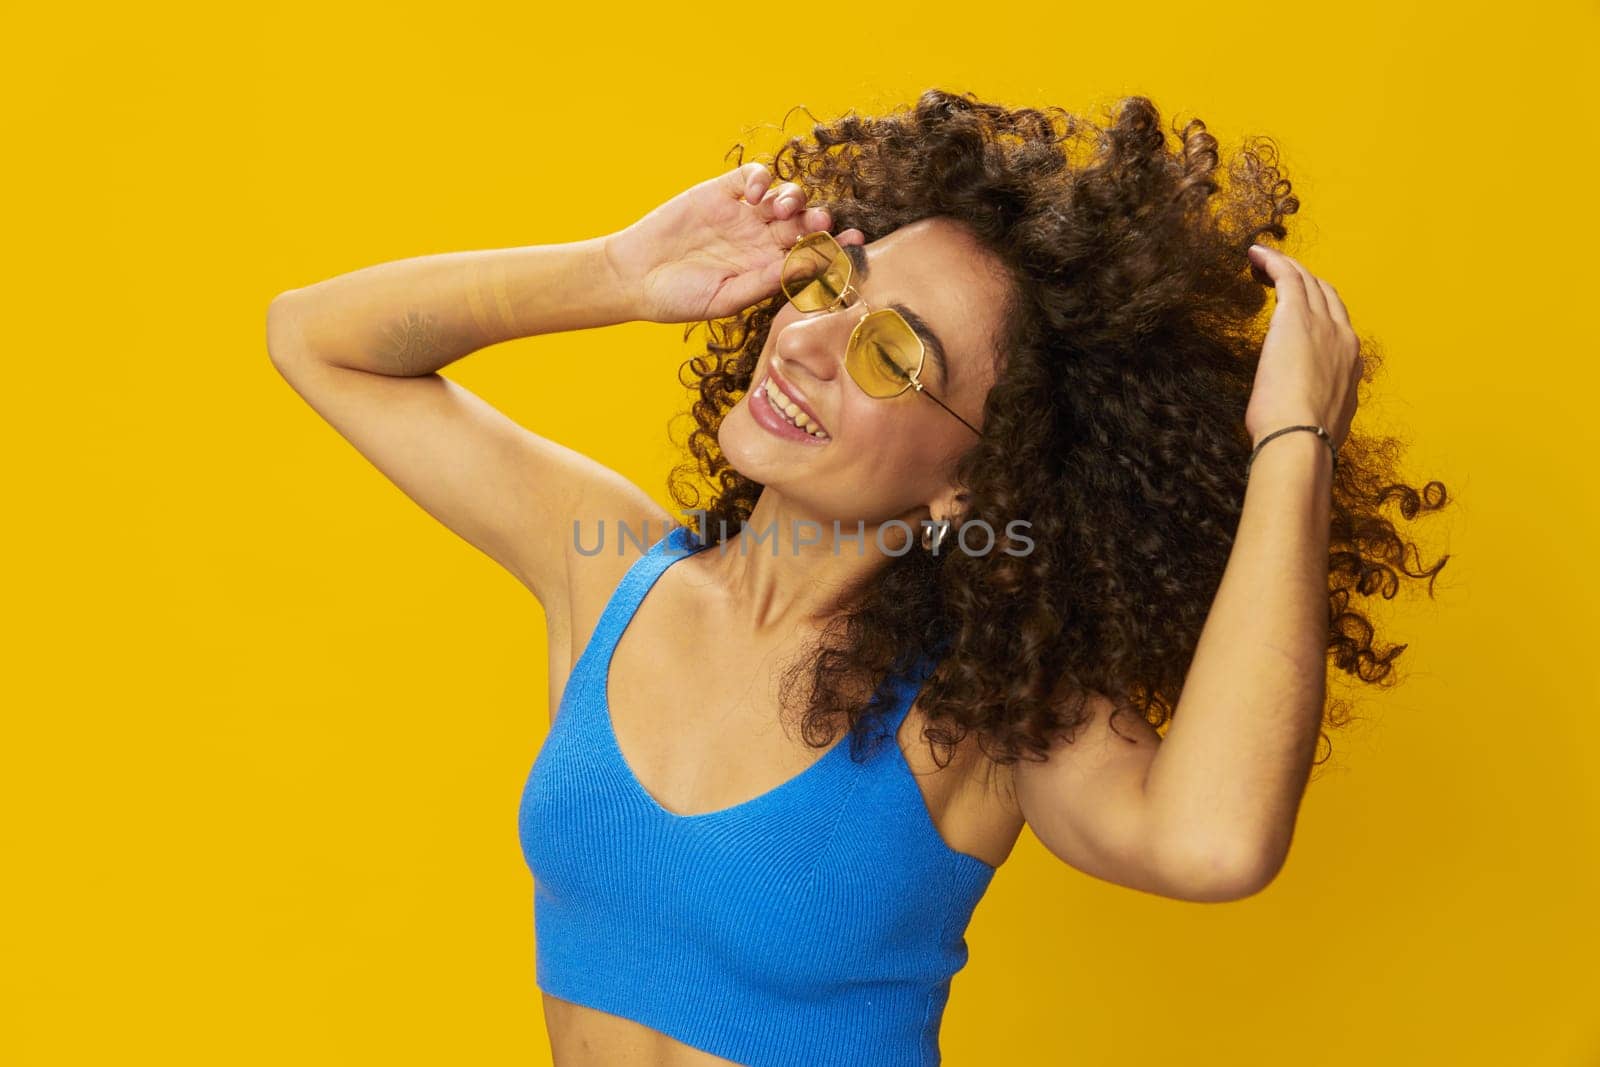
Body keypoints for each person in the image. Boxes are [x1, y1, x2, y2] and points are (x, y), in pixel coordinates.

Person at [265, 88, 1449, 1067]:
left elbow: (1211, 844)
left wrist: (1292, 442)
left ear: (975, 480)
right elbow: (316, 339)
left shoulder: (981, 714)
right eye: (836, 285)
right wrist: (619, 274)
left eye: (893, 353)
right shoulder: (614, 571)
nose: (809, 341)